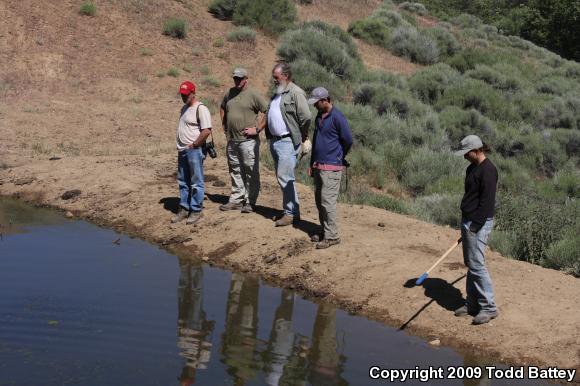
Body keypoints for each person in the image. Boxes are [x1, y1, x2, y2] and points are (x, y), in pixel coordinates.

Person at [453, 135, 499, 325]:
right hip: (469, 220)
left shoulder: (488, 171)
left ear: (476, 150)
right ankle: (472, 304)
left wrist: (474, 226)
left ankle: (489, 307)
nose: (464, 157)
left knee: (477, 264)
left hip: (478, 223)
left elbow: (487, 203)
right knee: (471, 263)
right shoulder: (472, 168)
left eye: (466, 153)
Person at [265, 62, 312, 227]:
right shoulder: (278, 93)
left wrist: (302, 134)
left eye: (276, 77)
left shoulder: (296, 92)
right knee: (283, 177)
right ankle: (292, 211)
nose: (274, 80)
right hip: (276, 141)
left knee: (285, 177)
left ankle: (290, 214)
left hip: (287, 141)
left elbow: (306, 116)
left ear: (285, 76)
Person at [307, 87, 353, 249]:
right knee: (320, 201)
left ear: (325, 100)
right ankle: (325, 230)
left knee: (328, 201)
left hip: (332, 167)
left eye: (316, 103)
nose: (314, 106)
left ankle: (332, 236)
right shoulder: (319, 116)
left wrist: (339, 157)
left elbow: (348, 140)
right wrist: (312, 163)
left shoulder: (337, 117)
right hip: (319, 165)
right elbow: (316, 140)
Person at [219, 68, 269, 213]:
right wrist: (224, 125)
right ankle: (236, 199)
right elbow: (222, 107)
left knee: (250, 171)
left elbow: (267, 111)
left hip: (248, 141)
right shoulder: (229, 93)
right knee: (235, 170)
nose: (237, 81)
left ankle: (250, 201)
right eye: (235, 78)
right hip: (232, 140)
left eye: (240, 78)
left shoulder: (253, 94)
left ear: (246, 79)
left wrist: (258, 129)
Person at [171, 80, 212, 225]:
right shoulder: (184, 108)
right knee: (183, 180)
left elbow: (206, 131)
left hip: (194, 150)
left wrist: (195, 144)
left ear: (193, 93)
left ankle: (196, 210)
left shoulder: (201, 108)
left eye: (186, 94)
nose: (183, 97)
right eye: (182, 94)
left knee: (196, 181)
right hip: (182, 149)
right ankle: (184, 207)